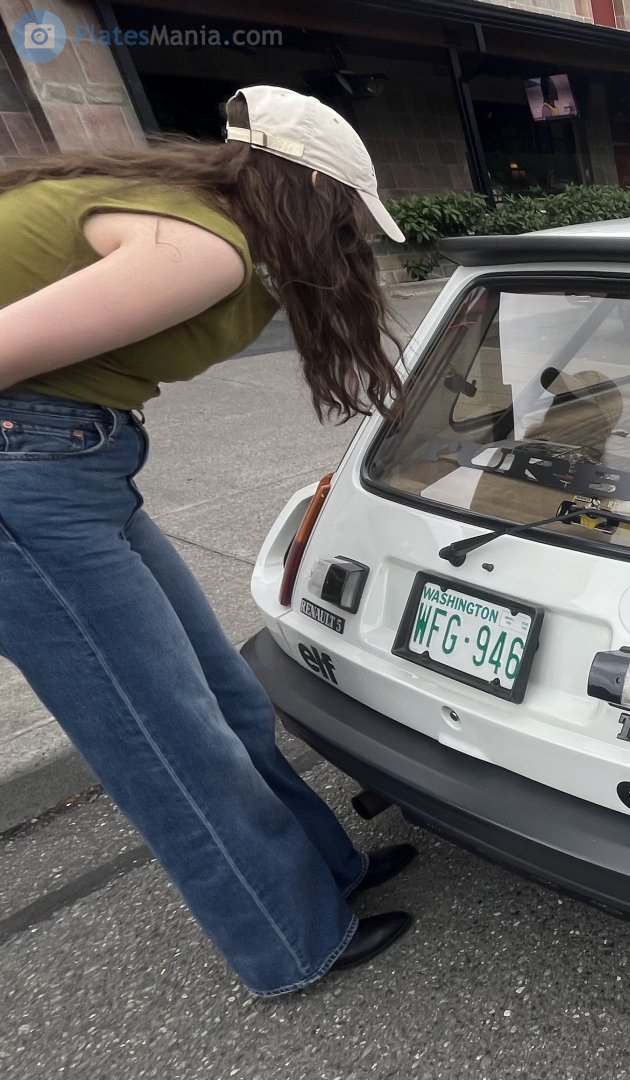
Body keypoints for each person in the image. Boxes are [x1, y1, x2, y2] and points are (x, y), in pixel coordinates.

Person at [0, 85, 418, 997]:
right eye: (351, 215)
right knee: (162, 733)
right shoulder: (203, 249)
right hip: (28, 479)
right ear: (313, 186)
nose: (353, 239)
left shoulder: (195, 217)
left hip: (71, 463)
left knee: (223, 696)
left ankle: (328, 872)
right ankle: (291, 942)